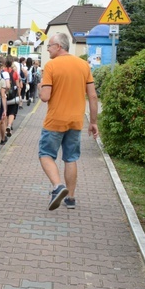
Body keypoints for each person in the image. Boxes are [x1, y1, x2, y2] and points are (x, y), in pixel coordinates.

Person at [39, 32, 99, 210]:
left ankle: (58, 187)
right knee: (71, 158)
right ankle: (71, 199)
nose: (48, 49)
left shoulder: (51, 66)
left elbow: (45, 97)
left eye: (49, 46)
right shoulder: (83, 65)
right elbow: (93, 96)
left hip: (55, 121)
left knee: (46, 155)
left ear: (58, 46)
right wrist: (93, 121)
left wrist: (40, 87)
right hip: (76, 121)